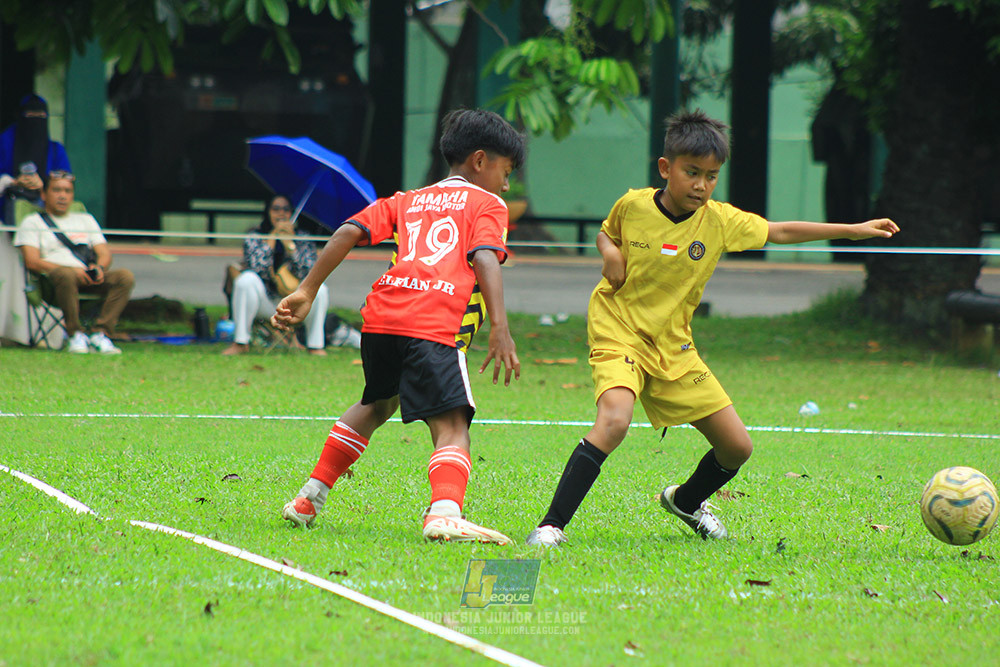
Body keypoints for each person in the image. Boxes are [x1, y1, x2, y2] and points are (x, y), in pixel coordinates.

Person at [525, 109, 899, 547]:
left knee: (737, 447)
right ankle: (551, 526)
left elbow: (778, 231)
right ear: (666, 168)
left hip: (674, 346)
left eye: (711, 176)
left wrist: (853, 230)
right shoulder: (633, 205)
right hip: (618, 331)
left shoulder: (719, 221)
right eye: (692, 172)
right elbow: (608, 233)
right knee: (614, 421)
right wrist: (609, 251)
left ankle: (685, 501)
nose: (701, 185)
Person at [274, 108, 526, 544]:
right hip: (433, 324)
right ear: (480, 161)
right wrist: (500, 327)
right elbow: (485, 256)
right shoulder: (489, 204)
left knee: (376, 404)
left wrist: (308, 290)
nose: (506, 185)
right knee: (451, 426)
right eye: (506, 172)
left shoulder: (408, 199)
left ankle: (308, 498)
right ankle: (445, 513)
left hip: (382, 320)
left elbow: (348, 231)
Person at [14, 171, 135, 354]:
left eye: (67, 191)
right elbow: (32, 262)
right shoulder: (32, 222)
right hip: (53, 284)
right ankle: (74, 334)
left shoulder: (85, 220)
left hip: (88, 279)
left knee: (124, 277)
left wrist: (99, 268)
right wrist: (71, 270)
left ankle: (101, 333)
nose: (62, 196)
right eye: (56, 190)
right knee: (66, 274)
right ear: (44, 194)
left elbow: (104, 252)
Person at [222, 194, 332, 356]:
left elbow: (309, 272)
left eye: (286, 209)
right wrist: (272, 239)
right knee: (246, 280)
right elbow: (257, 268)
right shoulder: (255, 236)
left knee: (321, 289)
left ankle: (315, 345)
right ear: (268, 211)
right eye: (276, 209)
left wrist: (290, 246)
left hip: (295, 302)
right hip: (264, 301)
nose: (281, 213)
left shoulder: (303, 238)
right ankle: (240, 342)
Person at [0, 95, 72, 211]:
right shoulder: (4, 145)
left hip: (46, 218)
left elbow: (65, 184)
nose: (35, 121)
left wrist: (44, 186)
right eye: (30, 116)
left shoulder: (56, 151)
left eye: (41, 116)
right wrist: (13, 182)